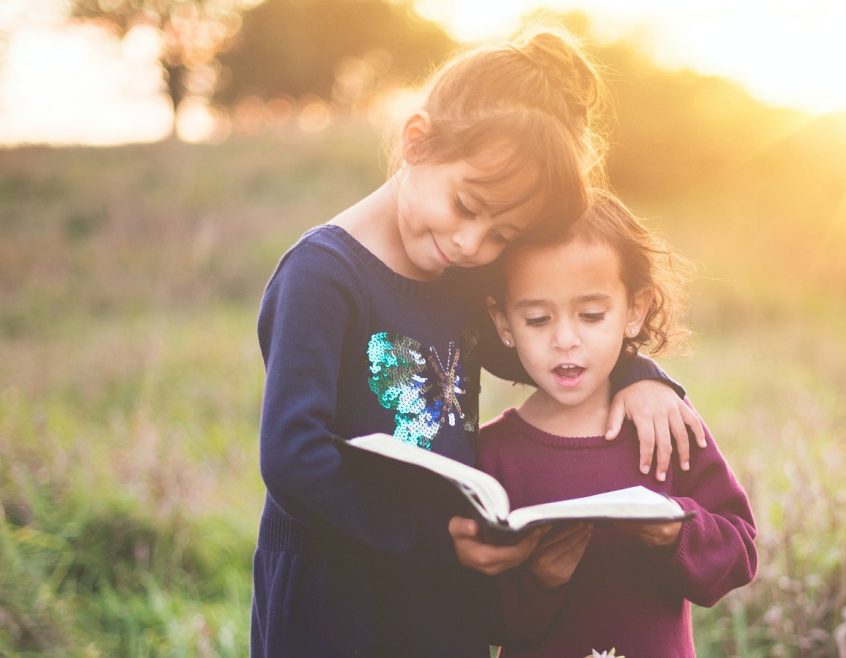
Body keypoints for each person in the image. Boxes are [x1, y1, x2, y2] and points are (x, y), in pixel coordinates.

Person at [251, 30, 706, 657]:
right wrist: (438, 538)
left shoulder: (458, 278)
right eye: (467, 205)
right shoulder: (322, 275)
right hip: (339, 591)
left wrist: (639, 375)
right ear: (416, 141)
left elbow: (544, 350)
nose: (472, 244)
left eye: (502, 234)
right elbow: (292, 458)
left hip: (444, 587)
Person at [479, 190, 758, 658]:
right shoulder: (492, 455)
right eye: (537, 318)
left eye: (591, 315)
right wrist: (539, 580)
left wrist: (676, 531)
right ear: (503, 322)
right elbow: (476, 615)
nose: (565, 340)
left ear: (634, 310)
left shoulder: (665, 425)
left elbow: (740, 553)